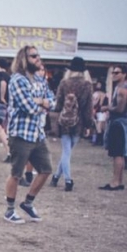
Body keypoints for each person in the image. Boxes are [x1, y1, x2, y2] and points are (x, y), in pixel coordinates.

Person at [4, 46, 53, 223]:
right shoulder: (18, 80)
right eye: (33, 56)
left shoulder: (40, 79)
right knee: (16, 173)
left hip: (37, 134)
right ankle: (9, 210)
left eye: (38, 55)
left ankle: (28, 203)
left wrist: (42, 101)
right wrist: (42, 103)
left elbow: (53, 101)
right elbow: (29, 107)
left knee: (46, 169)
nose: (38, 58)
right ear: (24, 59)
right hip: (20, 134)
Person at [50, 57, 93, 191]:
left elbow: (58, 104)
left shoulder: (64, 83)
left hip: (64, 121)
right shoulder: (87, 85)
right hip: (78, 122)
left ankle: (56, 177)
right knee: (67, 152)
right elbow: (88, 107)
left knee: (66, 151)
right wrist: (89, 124)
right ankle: (68, 180)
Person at [99, 65, 127, 191]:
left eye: (117, 73)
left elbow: (120, 109)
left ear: (124, 74)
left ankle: (115, 182)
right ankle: (119, 181)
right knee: (119, 152)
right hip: (121, 123)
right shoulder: (119, 88)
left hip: (119, 123)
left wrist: (107, 108)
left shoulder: (122, 90)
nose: (114, 75)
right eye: (113, 73)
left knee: (117, 153)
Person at [91, 79, 109, 146]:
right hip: (98, 111)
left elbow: (94, 103)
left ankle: (99, 141)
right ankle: (99, 140)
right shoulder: (99, 94)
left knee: (100, 126)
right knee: (98, 126)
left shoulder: (101, 94)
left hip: (101, 111)